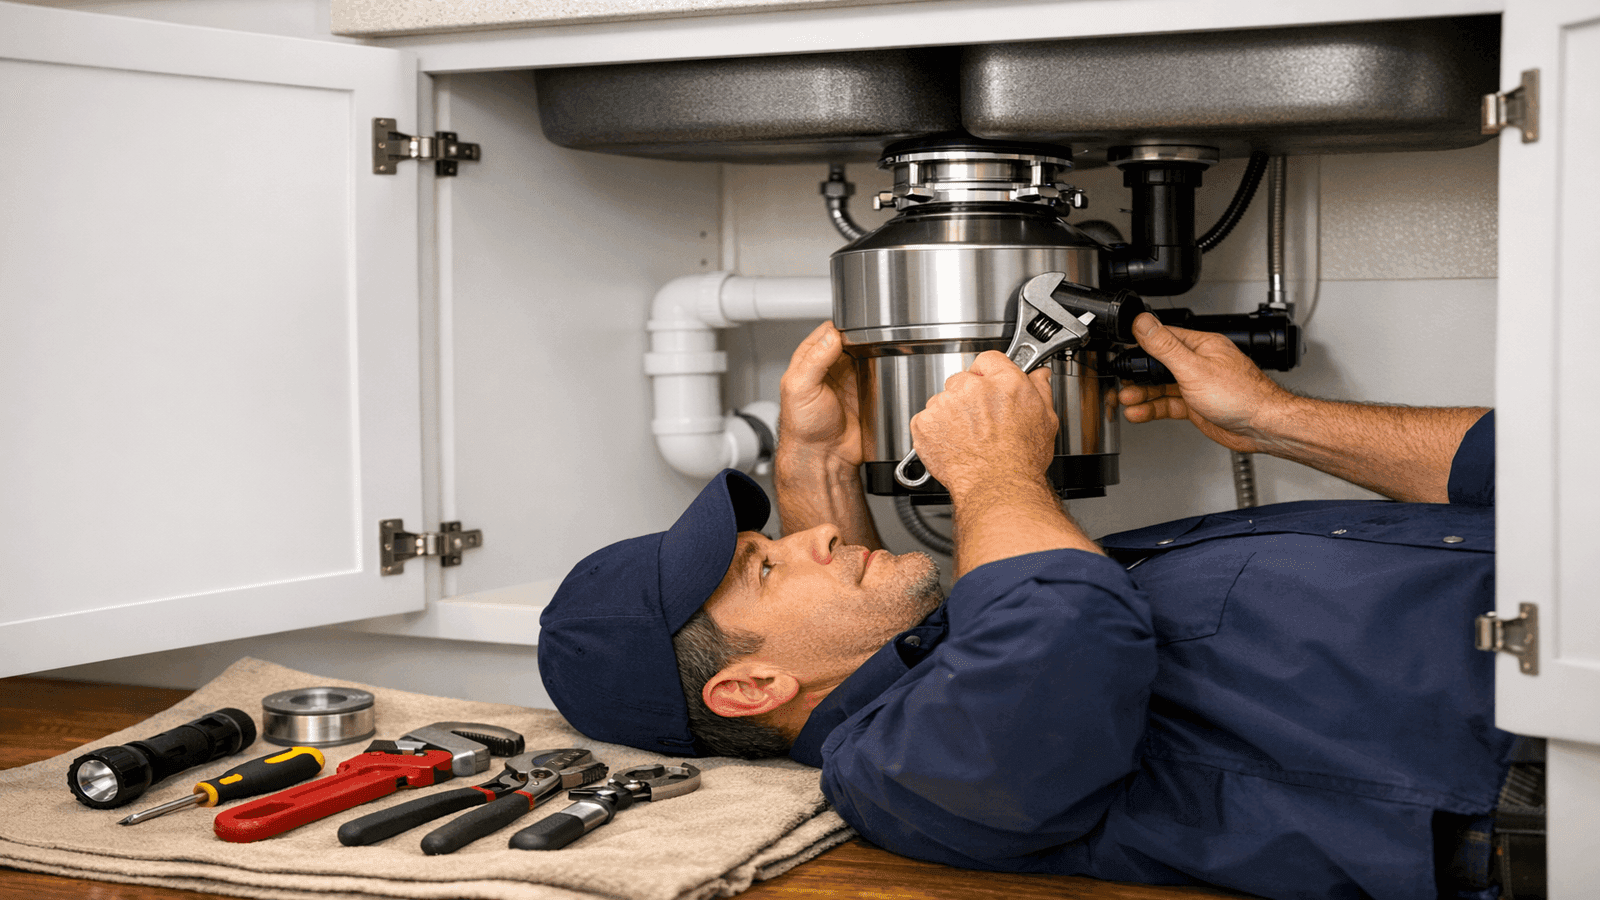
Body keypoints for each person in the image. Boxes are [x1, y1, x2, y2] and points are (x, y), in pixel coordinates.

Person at [537, 311, 1514, 900]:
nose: (813, 540)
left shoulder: (942, 650)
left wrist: (1271, 420)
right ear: (749, 687)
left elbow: (882, 631)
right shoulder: (898, 776)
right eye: (762, 569)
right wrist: (994, 471)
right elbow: (1059, 633)